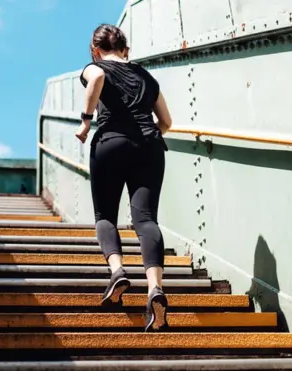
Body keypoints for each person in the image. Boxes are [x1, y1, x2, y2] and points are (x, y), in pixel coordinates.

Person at [75, 24, 173, 332]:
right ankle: (155, 289)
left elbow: (98, 79)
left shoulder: (95, 67)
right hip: (149, 145)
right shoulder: (146, 76)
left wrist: (86, 123)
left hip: (110, 143)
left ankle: (117, 272)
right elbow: (167, 122)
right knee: (146, 220)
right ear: (125, 49)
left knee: (105, 216)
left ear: (95, 50)